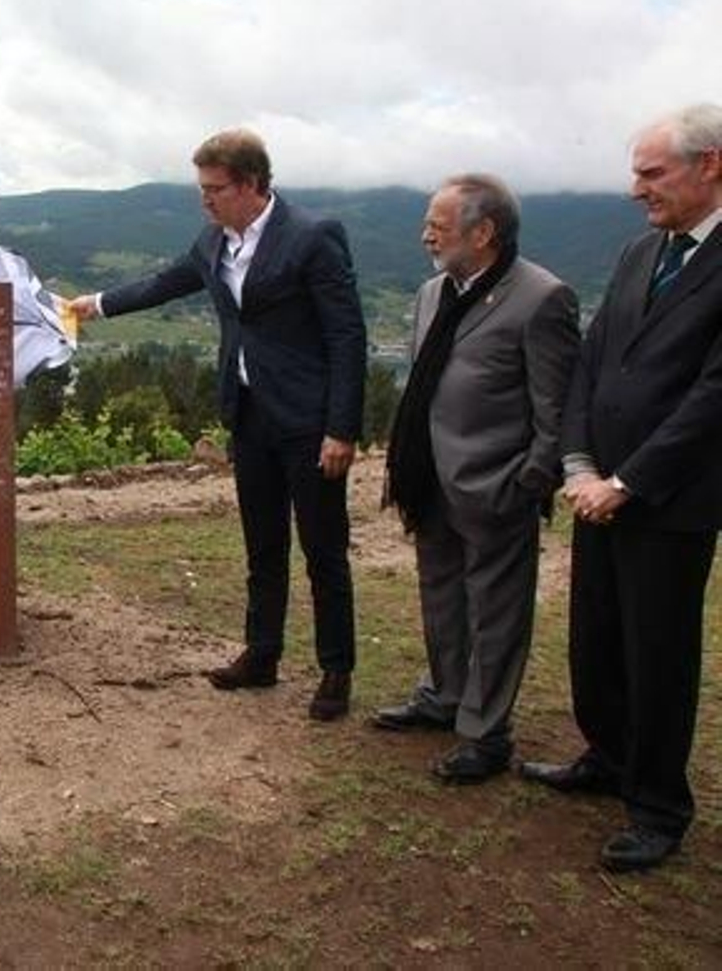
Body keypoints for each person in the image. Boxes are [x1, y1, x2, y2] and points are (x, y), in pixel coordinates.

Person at [69, 128, 367, 720]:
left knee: (323, 550)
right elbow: (163, 283)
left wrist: (342, 428)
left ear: (252, 184)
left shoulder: (311, 238)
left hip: (309, 422)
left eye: (216, 189)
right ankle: (262, 654)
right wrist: (96, 304)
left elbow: (347, 334)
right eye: (202, 189)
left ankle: (336, 670)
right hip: (249, 416)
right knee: (263, 544)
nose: (205, 200)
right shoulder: (214, 241)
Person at [522, 104, 722, 873]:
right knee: (596, 635)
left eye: (651, 172)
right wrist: (578, 464)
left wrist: (630, 482)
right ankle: (607, 755)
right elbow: (593, 360)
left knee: (658, 650)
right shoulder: (643, 250)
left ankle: (659, 805)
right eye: (636, 173)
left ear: (709, 165)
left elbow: (713, 398)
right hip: (598, 490)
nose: (636, 187)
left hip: (670, 503)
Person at [374, 174, 579, 783]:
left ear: (483, 233)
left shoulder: (542, 297)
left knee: (495, 610)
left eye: (438, 226)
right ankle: (444, 694)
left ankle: (485, 734)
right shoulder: (433, 291)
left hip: (496, 486)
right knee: (440, 593)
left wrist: (528, 483)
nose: (425, 235)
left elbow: (556, 410)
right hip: (429, 478)